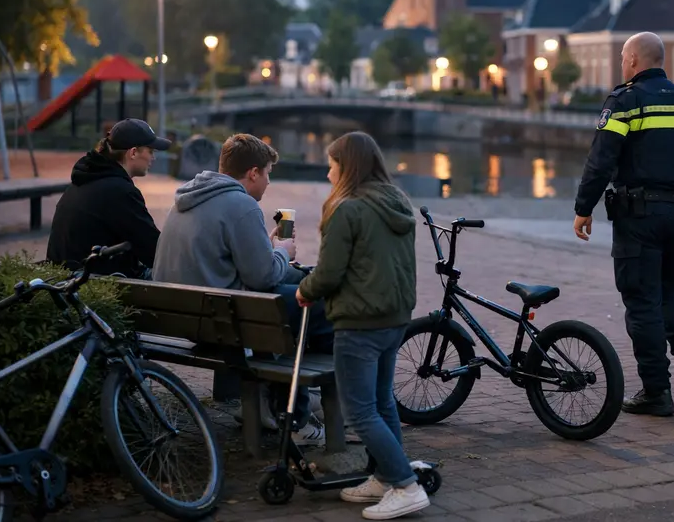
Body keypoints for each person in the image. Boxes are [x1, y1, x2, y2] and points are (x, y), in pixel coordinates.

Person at [572, 32, 674, 417]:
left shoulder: (625, 101)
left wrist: (583, 207)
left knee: (641, 302)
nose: (622, 64)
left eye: (623, 58)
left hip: (638, 217)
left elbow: (601, 160)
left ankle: (656, 391)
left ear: (634, 61)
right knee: (669, 292)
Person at [152, 133, 331, 444]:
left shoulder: (188, 197)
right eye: (268, 174)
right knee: (319, 308)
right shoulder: (242, 205)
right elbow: (263, 278)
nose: (269, 182)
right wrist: (282, 252)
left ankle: (270, 400)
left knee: (277, 306)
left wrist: (268, 249)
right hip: (223, 323)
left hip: (186, 318)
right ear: (253, 172)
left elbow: (238, 265)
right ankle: (300, 413)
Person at [296, 131, 429, 520]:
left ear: (348, 167)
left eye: (332, 166)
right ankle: (385, 476)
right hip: (393, 318)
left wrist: (304, 290)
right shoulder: (396, 202)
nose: (328, 174)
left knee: (360, 412)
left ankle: (405, 485)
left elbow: (329, 274)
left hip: (358, 322)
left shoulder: (347, 209)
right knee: (383, 401)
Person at [47, 118, 168, 279]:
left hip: (64, 278)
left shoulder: (84, 179)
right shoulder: (120, 192)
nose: (153, 158)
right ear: (133, 152)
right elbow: (155, 253)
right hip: (94, 282)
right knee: (174, 271)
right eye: (151, 151)